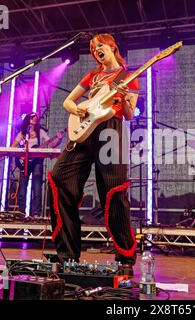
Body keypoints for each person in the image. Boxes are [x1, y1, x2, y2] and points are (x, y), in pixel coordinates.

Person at [48, 33, 139, 277]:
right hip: (84, 129)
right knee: (59, 179)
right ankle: (67, 255)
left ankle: (125, 256)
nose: (96, 49)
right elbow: (68, 102)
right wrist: (75, 108)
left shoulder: (128, 77)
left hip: (111, 132)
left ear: (112, 47)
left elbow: (129, 114)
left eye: (100, 46)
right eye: (93, 48)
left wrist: (126, 98)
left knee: (114, 191)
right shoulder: (93, 76)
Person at [11, 112, 64, 219]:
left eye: (36, 117)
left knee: (37, 188)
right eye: (32, 117)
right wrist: (20, 155)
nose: (35, 118)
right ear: (28, 119)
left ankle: (36, 213)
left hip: (37, 162)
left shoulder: (41, 132)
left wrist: (59, 138)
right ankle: (21, 212)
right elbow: (12, 146)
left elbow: (52, 144)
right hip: (24, 163)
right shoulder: (22, 133)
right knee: (22, 188)